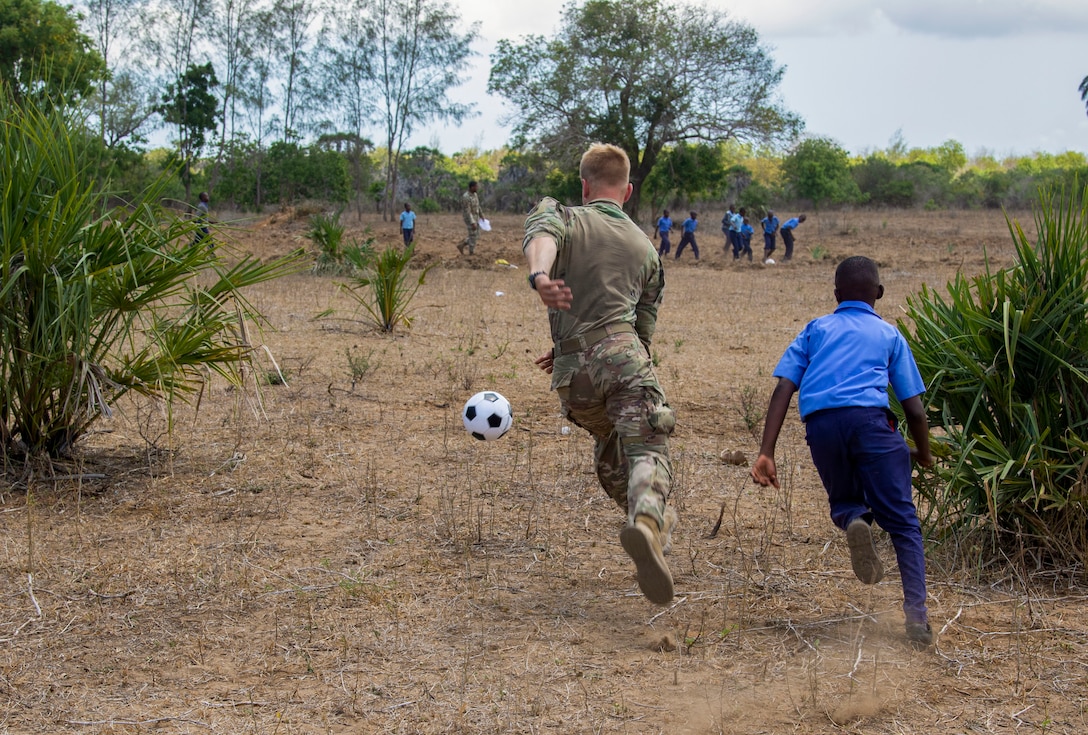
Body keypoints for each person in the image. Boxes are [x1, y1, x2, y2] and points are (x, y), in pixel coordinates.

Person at [749, 256, 935, 647]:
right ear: (879, 294)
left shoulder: (816, 329)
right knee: (903, 524)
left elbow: (784, 387)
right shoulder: (888, 335)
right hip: (871, 423)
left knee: (846, 499)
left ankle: (855, 519)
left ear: (835, 295)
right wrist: (924, 452)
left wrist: (766, 449)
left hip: (822, 427)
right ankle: (917, 618)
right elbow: (914, 409)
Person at [523, 142, 678, 606]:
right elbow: (642, 332)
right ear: (627, 191)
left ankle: (651, 528)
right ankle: (650, 523)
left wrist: (540, 278)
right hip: (623, 357)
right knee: (647, 446)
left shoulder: (563, 215)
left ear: (584, 186)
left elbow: (542, 238)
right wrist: (617, 359)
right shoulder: (646, 249)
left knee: (612, 453)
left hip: (574, 378)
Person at [459, 180, 483, 255]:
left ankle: (462, 244)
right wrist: (472, 222)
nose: (477, 188)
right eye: (476, 186)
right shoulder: (466, 197)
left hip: (476, 217)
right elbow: (467, 211)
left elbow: (477, 206)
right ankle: (471, 252)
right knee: (473, 234)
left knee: (476, 235)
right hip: (470, 218)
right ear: (472, 187)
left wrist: (481, 215)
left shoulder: (475, 195)